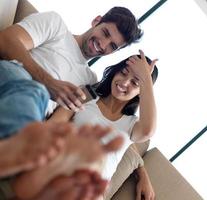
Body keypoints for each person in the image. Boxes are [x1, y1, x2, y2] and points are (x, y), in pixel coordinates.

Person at [0, 7, 142, 139]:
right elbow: (5, 40)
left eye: (112, 46)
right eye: (105, 33)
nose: (103, 45)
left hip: (33, 117)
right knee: (39, 91)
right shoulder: (56, 25)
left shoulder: (90, 81)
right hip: (12, 77)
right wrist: (48, 83)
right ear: (96, 21)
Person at [48, 50, 157, 199]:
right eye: (124, 73)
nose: (124, 83)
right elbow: (52, 127)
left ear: (141, 91)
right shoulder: (86, 95)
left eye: (135, 82)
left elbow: (148, 131)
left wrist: (146, 78)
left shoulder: (132, 126)